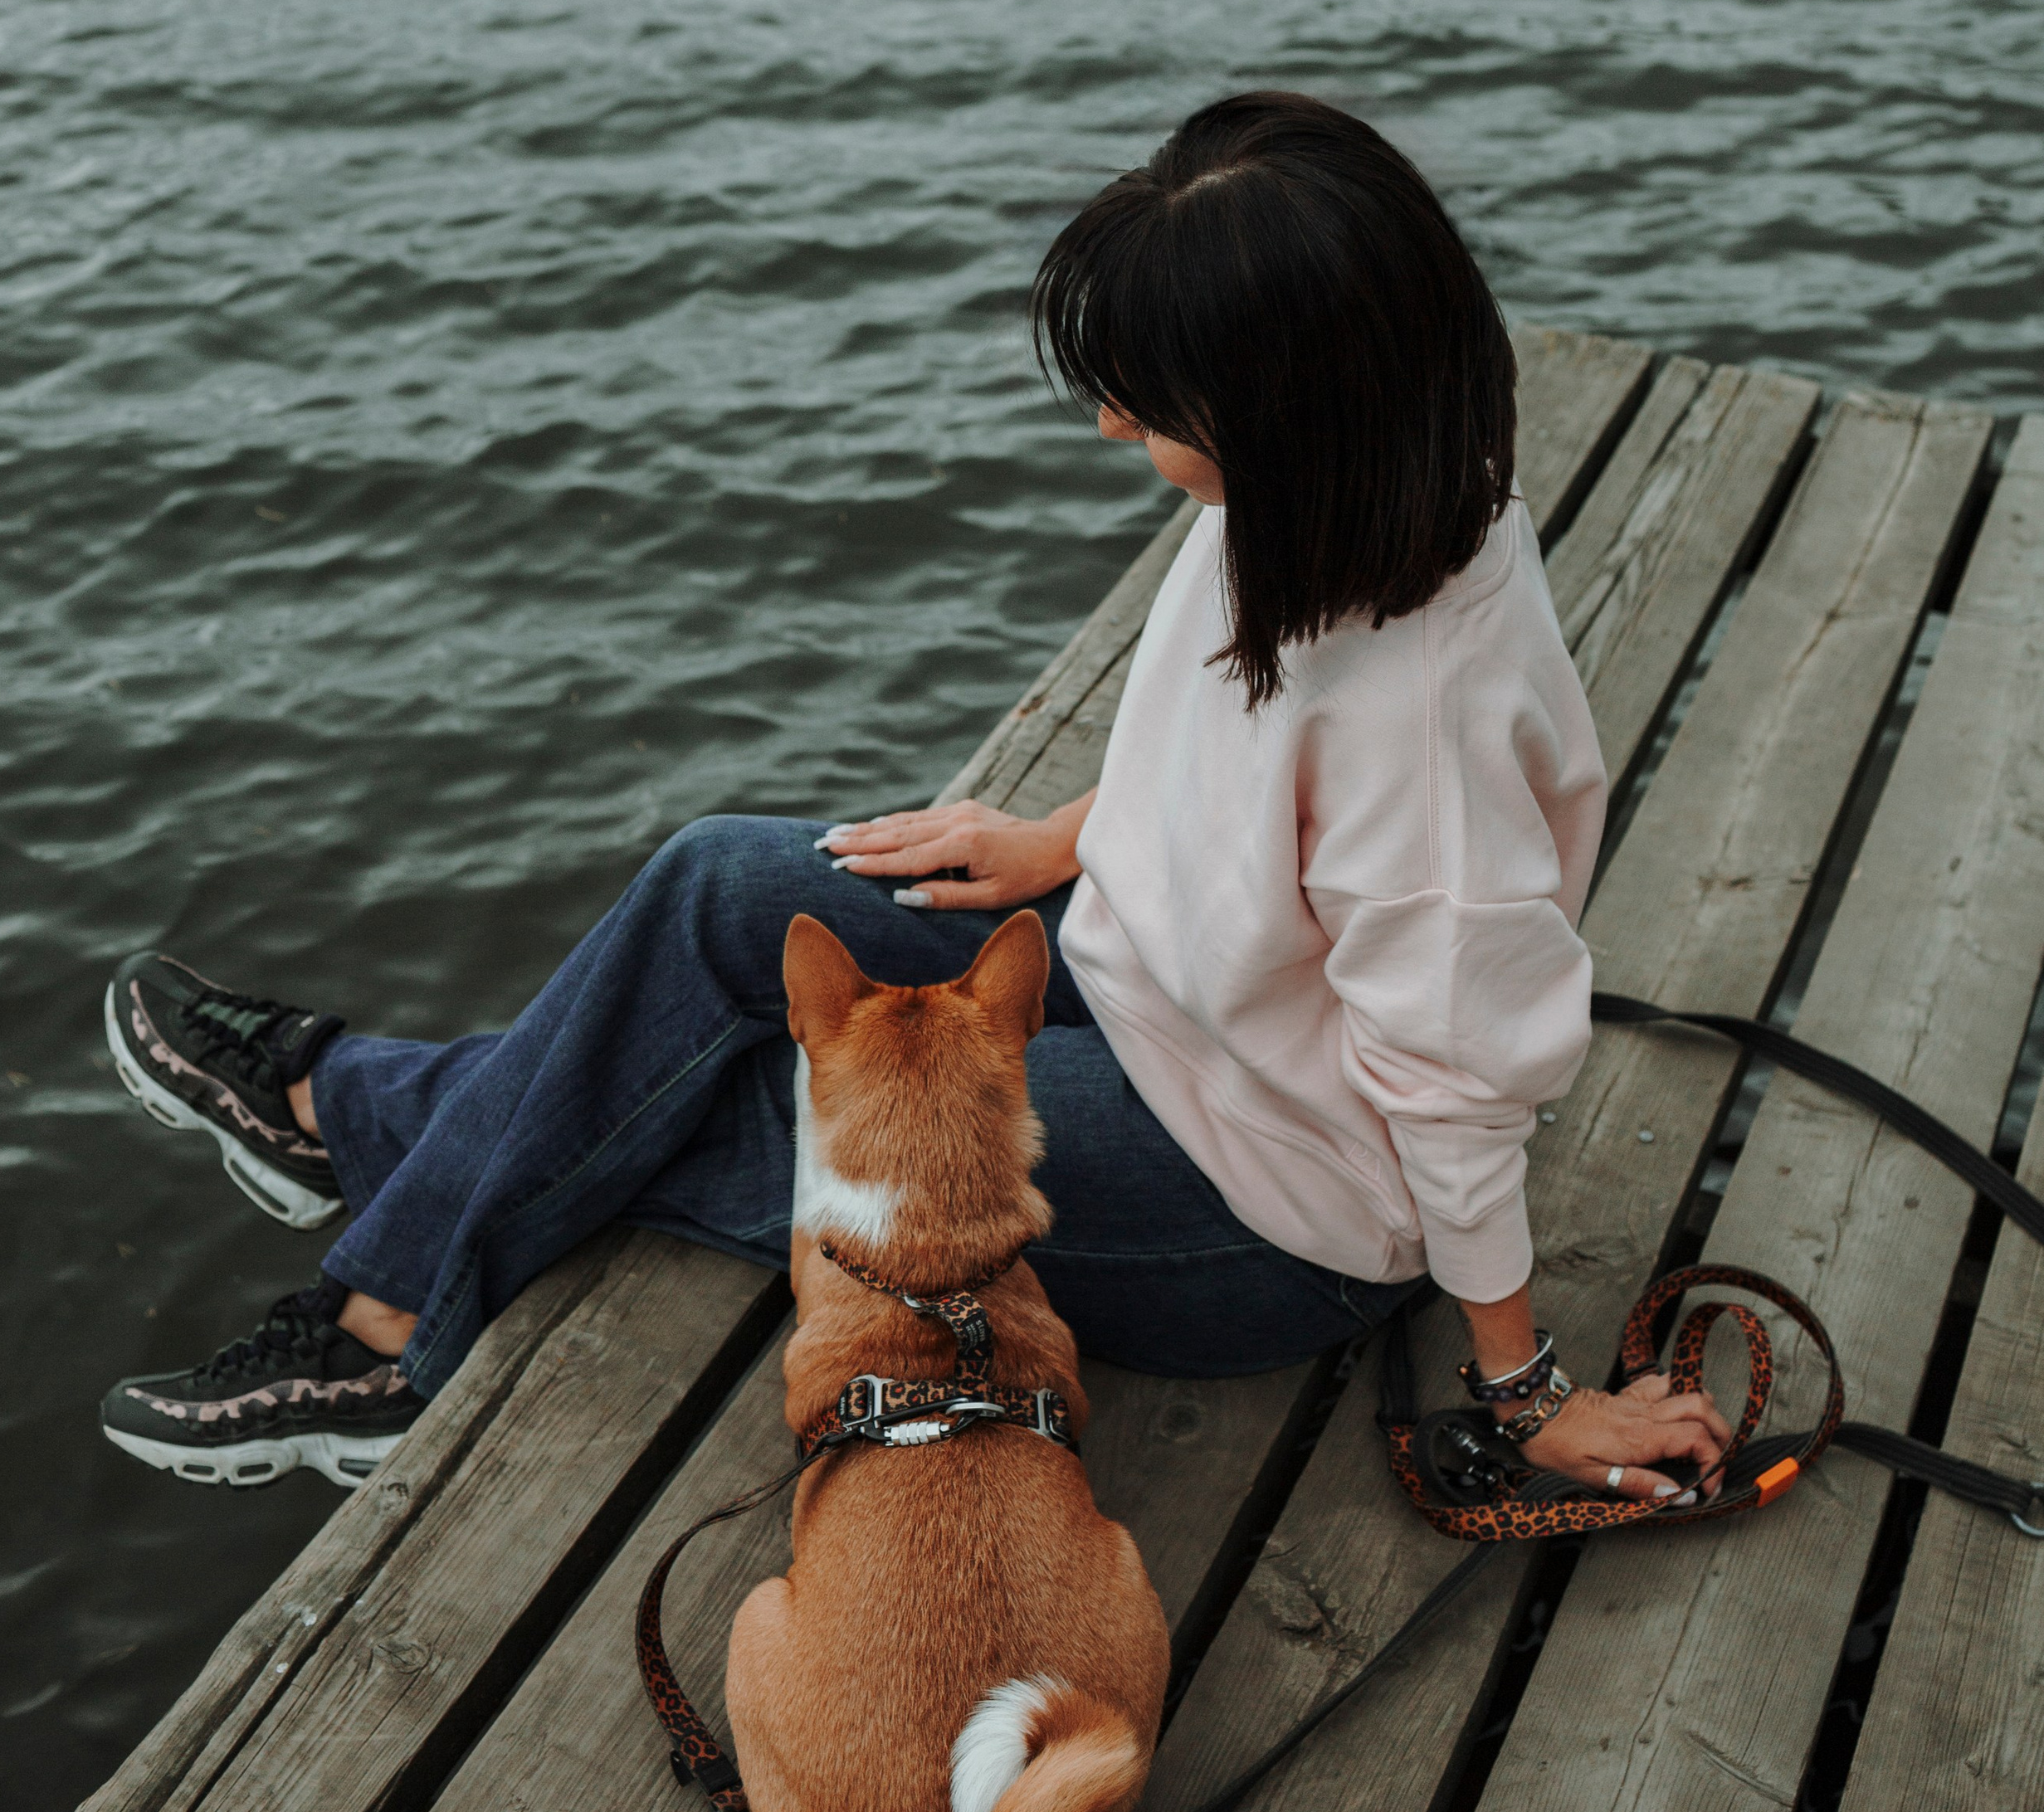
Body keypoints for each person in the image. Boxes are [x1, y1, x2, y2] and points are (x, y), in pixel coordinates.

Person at [96, 94, 1727, 1504]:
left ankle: (376, 1280)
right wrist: (1065, 839)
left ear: (1293, 411)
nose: (1111, 423)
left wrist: (1524, 1397)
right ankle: (349, 1129)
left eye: (1149, 405)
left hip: (1262, 1204)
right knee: (725, 886)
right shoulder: (1352, 494)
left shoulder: (1424, 727)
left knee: (750, 1112)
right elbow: (1242, 753)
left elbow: (1447, 1081)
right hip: (1132, 979)